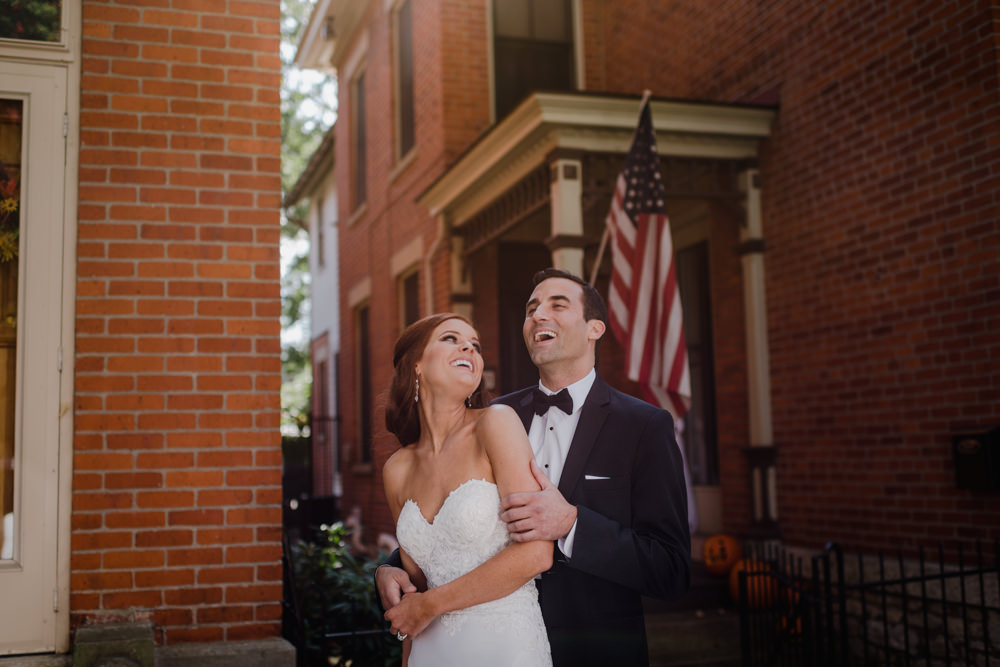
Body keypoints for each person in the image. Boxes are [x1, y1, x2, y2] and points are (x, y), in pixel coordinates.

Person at [379, 268, 691, 666]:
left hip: (592, 652)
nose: (538, 315)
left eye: (557, 305)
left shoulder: (644, 426)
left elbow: (672, 569)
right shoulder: (491, 416)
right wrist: (385, 572)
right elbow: (452, 532)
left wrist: (573, 524)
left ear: (595, 328)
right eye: (531, 309)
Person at [381, 313, 554, 666]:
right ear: (416, 364)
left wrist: (429, 605)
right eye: (450, 338)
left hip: (505, 647)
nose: (468, 348)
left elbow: (536, 553)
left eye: (474, 345)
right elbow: (414, 597)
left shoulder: (497, 422)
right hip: (430, 652)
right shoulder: (396, 469)